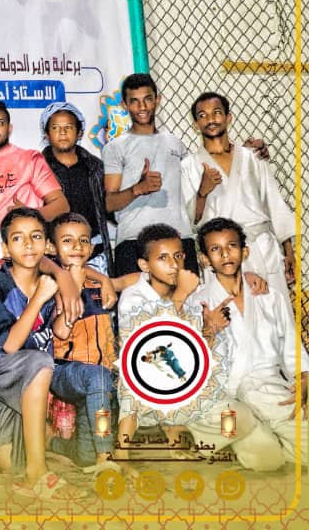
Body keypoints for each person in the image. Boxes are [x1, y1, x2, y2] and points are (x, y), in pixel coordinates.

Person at [115, 223, 284, 472]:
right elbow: (150, 349)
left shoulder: (191, 294)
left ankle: (190, 438)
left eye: (178, 256)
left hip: (191, 392)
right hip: (154, 398)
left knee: (261, 449)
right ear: (144, 265)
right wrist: (181, 295)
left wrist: (210, 330)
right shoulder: (133, 298)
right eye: (163, 258)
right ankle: (166, 435)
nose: (174, 265)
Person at [188, 218, 308, 465]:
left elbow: (290, 343)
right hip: (223, 391)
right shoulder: (197, 302)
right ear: (205, 259)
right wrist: (208, 330)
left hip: (267, 384)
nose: (225, 254)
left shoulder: (269, 296)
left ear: (245, 252)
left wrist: (304, 376)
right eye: (215, 249)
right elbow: (189, 365)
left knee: (268, 460)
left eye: (231, 246)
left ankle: (255, 432)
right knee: (267, 459)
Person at [0, 207, 80, 500]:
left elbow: (61, 332)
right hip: (4, 376)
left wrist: (69, 301)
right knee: (39, 359)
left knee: (8, 462)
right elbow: (10, 346)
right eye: (18, 238)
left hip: (35, 383)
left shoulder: (49, 282)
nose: (28, 244)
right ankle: (38, 473)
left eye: (36, 237)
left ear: (47, 245)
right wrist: (38, 299)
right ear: (5, 248)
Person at [181, 92, 296, 298]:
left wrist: (288, 250)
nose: (211, 119)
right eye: (202, 115)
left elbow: (274, 202)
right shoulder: (188, 166)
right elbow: (191, 221)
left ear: (228, 118)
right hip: (222, 256)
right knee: (232, 314)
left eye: (217, 113)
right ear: (196, 125)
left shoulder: (253, 157)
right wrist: (202, 192)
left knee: (276, 311)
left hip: (263, 247)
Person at [103, 73, 198, 277]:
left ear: (157, 100)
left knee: (187, 297)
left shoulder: (175, 143)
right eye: (134, 101)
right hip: (134, 241)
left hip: (179, 238)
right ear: (125, 105)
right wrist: (138, 189)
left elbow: (197, 180)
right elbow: (109, 203)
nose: (142, 107)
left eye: (147, 99)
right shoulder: (115, 147)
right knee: (137, 299)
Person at [46, 213, 118, 471]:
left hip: (100, 373)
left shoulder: (97, 282)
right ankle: (105, 458)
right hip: (65, 370)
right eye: (67, 240)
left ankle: (56, 444)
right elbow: (60, 332)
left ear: (90, 247)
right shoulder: (50, 283)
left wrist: (105, 280)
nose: (77, 246)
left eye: (84, 240)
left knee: (86, 454)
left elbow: (134, 279)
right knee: (99, 377)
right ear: (51, 247)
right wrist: (74, 289)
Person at [0, 100, 68, 227]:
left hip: (27, 237)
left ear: (9, 129)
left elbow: (61, 205)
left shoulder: (30, 159)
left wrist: (30, 215)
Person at [40, 101, 113, 272]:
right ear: (47, 135)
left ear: (79, 133)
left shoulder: (96, 167)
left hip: (93, 251)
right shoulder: (37, 167)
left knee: (98, 289)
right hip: (52, 253)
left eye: (68, 127)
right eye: (55, 128)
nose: (62, 132)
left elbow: (109, 207)